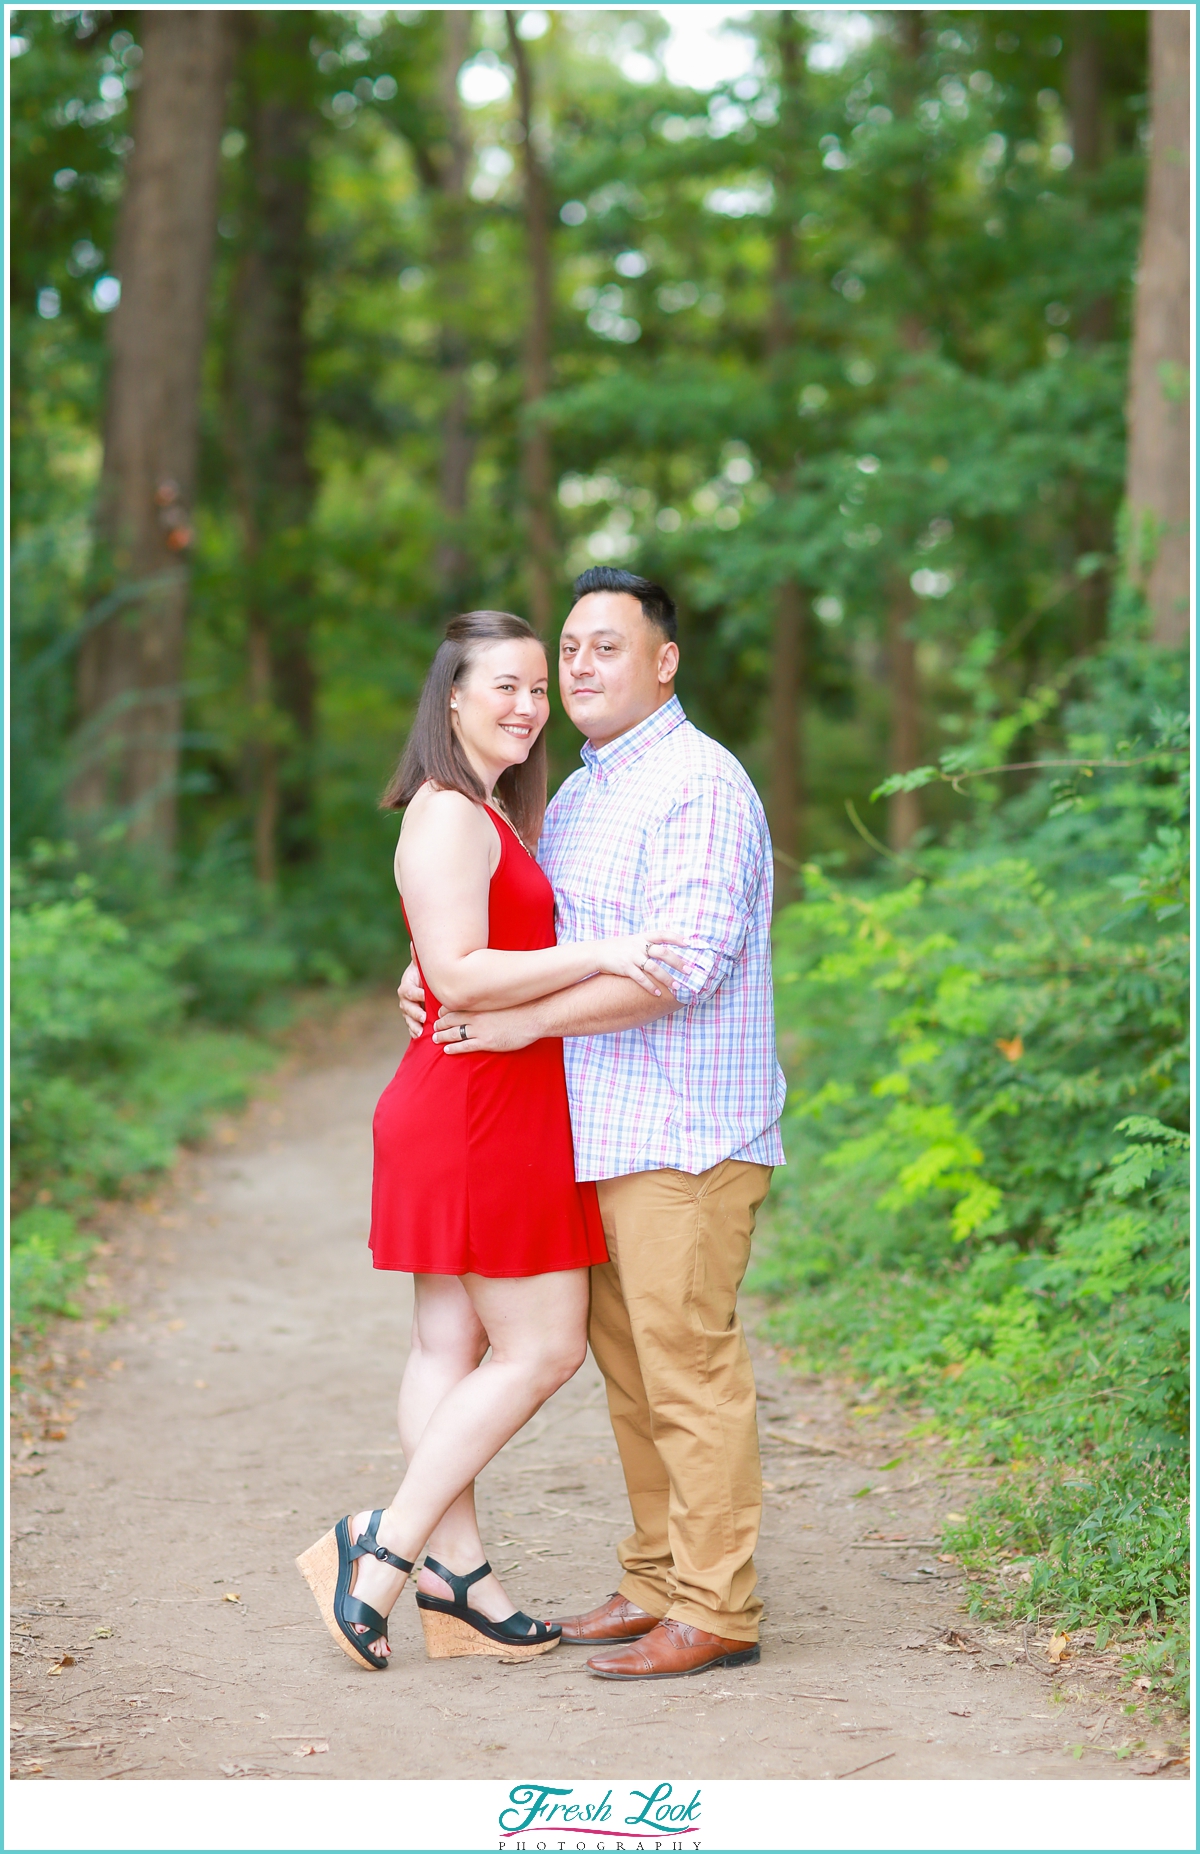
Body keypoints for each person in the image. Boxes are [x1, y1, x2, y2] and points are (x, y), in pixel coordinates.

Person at [400, 567, 786, 1681]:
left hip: (684, 1133)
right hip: (593, 1134)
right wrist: (434, 977)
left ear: (664, 662)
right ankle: (658, 1576)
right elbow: (514, 943)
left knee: (687, 1369)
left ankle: (716, 1607)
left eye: (606, 647)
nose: (578, 669)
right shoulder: (572, 793)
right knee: (631, 1374)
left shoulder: (698, 784)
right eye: (569, 650)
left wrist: (519, 1032)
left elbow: (685, 968)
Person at [297, 609, 685, 1672]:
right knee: (543, 1347)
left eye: (535, 687)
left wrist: (443, 964)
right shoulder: (452, 815)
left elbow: (444, 960)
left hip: (483, 1093)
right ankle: (384, 1548)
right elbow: (462, 973)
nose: (525, 705)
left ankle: (459, 1582)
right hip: (473, 1105)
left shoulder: (494, 811)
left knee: (449, 1346)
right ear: (452, 700)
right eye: (501, 686)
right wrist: (601, 947)